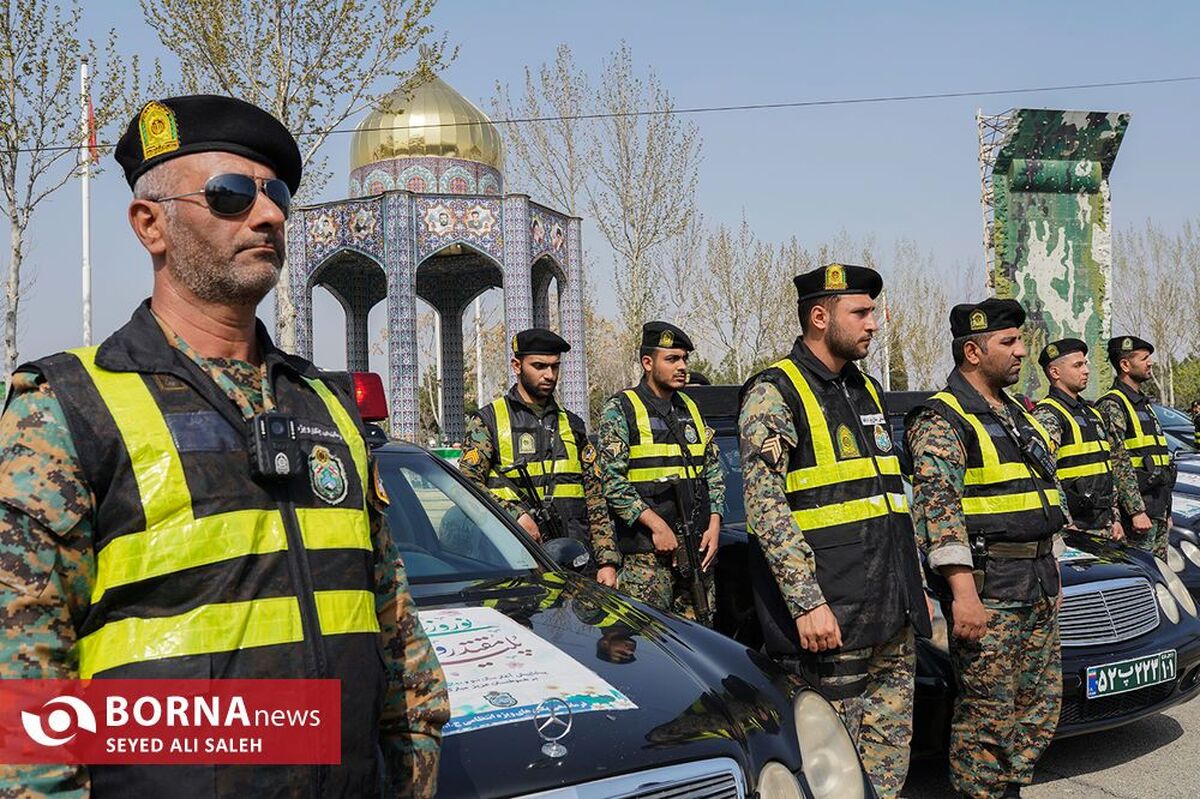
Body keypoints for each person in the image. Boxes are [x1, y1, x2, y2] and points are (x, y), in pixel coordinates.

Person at [0, 95, 447, 797]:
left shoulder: (326, 406)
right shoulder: (67, 409)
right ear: (152, 225)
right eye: (232, 195)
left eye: (278, 197)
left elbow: (395, 630)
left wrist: (415, 766)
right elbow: (23, 694)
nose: (268, 215)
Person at [738, 263, 930, 798]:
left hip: (892, 614)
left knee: (887, 772)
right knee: (833, 778)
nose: (873, 323)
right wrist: (806, 603)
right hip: (832, 621)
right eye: (861, 313)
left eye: (873, 311)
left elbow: (893, 502)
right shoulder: (775, 392)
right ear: (820, 317)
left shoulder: (864, 390)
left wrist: (915, 589)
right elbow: (767, 509)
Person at [906, 298, 1066, 799]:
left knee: (1038, 710)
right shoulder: (942, 417)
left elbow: (1041, 493)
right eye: (1009, 343)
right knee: (987, 720)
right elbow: (939, 511)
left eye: (1020, 340)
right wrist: (962, 595)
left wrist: (1052, 570)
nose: (1022, 352)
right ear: (973, 352)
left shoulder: (1016, 411)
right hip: (989, 591)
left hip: (1036, 582)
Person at [596, 322, 725, 620]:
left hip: (696, 550)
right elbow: (613, 483)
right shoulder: (621, 408)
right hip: (647, 559)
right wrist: (657, 526)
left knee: (701, 638)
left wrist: (715, 524)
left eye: (684, 359)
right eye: (672, 359)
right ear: (647, 362)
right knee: (648, 641)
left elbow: (713, 473)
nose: (682, 367)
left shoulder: (691, 408)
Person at [458, 328, 611, 555]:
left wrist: (607, 560)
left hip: (575, 559)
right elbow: (465, 485)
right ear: (517, 366)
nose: (549, 375)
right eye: (539, 366)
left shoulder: (572, 423)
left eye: (555, 366)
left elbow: (595, 496)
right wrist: (515, 516)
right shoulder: (488, 420)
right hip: (512, 556)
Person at [1032, 338, 1130, 542]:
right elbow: (1047, 476)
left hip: (1106, 527)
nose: (1086, 370)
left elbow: (1106, 468)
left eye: (1085, 364)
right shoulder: (1048, 415)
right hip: (1076, 529)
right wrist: (1066, 525)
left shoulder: (1091, 413)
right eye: (1078, 365)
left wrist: (1116, 518)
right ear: (1055, 372)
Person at [1095, 336, 1175, 560]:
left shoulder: (1143, 403)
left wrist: (1167, 509)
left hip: (1157, 509)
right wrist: (1136, 511)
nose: (1150, 363)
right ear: (1125, 365)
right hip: (1138, 516)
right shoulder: (1113, 404)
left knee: (1161, 576)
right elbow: (1117, 462)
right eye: (1144, 358)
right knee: (1142, 572)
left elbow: (1160, 460)